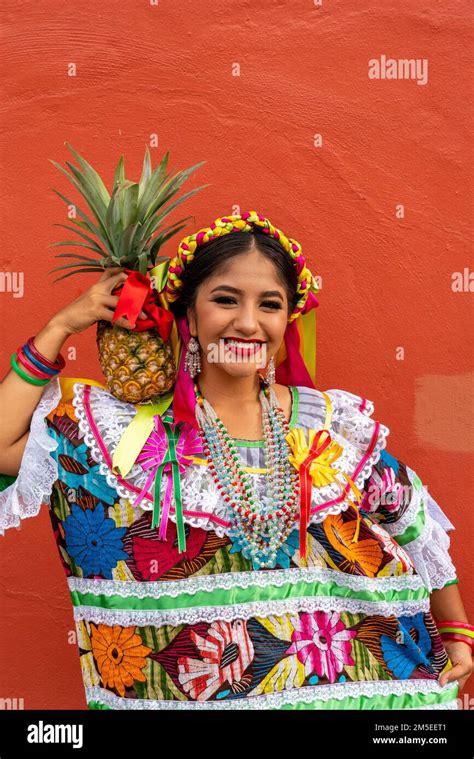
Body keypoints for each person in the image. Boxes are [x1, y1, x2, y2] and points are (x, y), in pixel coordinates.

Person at [0, 210, 472, 710]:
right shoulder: (119, 437)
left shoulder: (327, 427)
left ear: (287, 319)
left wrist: (457, 627)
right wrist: (60, 326)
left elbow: (408, 515)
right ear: (188, 316)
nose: (247, 323)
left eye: (269, 305)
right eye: (225, 300)